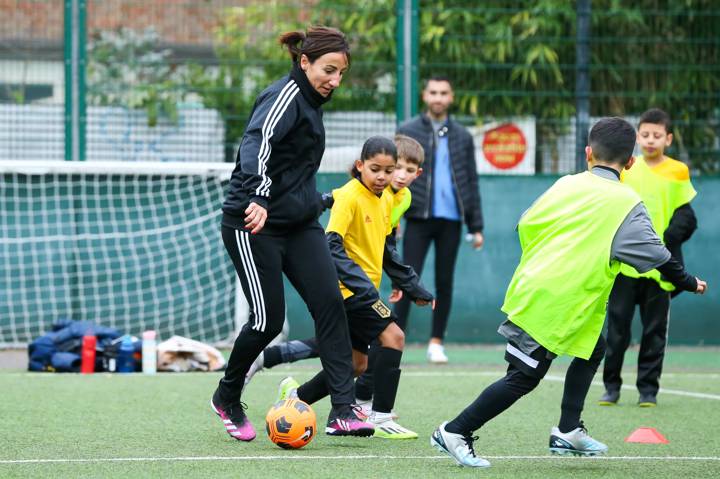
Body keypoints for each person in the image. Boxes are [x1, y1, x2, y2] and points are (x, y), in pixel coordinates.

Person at [429, 117, 707, 468]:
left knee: (594, 347)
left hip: (556, 294)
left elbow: (525, 224)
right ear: (631, 162)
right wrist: (688, 281)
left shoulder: (565, 184)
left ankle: (567, 429)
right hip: (553, 301)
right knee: (523, 378)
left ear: (588, 153)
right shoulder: (627, 203)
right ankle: (455, 431)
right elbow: (659, 256)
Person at [210, 26, 372, 442]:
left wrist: (313, 201)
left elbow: (292, 166)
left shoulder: (313, 102)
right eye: (328, 70)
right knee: (267, 322)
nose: (334, 81)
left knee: (331, 306)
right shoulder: (283, 97)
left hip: (298, 225)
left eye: (341, 73)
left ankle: (343, 410)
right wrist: (259, 197)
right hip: (253, 222)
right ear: (304, 62)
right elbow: (257, 143)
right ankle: (227, 396)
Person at [243, 136, 426, 421]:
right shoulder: (351, 195)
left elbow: (386, 247)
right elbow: (331, 243)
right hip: (349, 291)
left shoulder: (388, 200)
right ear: (360, 166)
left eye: (390, 171)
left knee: (355, 362)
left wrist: (408, 283)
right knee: (394, 337)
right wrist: (361, 284)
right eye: (377, 169)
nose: (386, 176)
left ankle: (294, 400)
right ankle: (380, 415)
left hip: (365, 289)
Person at [600, 109, 698, 407]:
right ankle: (611, 388)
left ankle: (648, 391)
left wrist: (667, 240)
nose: (650, 140)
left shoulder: (678, 170)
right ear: (636, 137)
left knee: (654, 332)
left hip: (661, 269)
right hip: (624, 268)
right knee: (616, 330)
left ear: (668, 138)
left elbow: (686, 215)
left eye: (657, 135)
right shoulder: (627, 168)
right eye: (645, 135)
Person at [395, 76, 484, 364]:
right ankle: (393, 337)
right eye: (433, 92)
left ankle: (436, 342)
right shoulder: (407, 130)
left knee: (445, 282)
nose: (438, 97)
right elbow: (393, 177)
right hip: (417, 219)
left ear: (451, 97)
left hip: (451, 221)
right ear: (424, 95)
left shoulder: (462, 135)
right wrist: (393, 217)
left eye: (443, 93)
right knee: (407, 278)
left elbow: (471, 180)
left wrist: (476, 226)